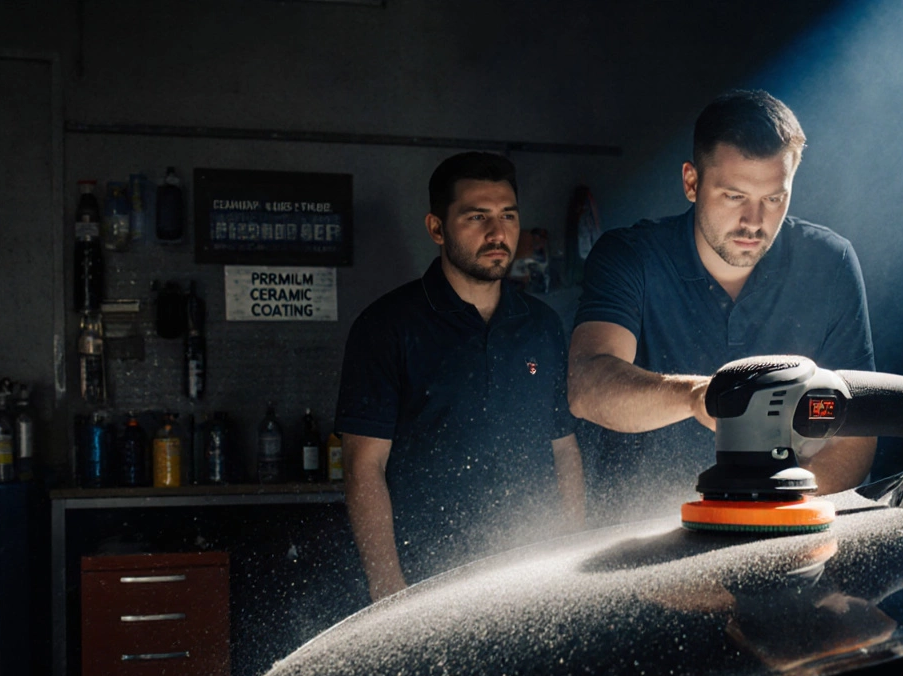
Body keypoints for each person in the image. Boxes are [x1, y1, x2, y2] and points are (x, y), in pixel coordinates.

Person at [568, 89, 875, 521]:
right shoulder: (630, 256)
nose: (754, 221)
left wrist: (774, 516)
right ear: (692, 182)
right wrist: (699, 396)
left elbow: (857, 427)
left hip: (780, 534)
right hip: (636, 547)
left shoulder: (831, 263)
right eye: (734, 196)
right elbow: (588, 383)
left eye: (773, 199)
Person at [336, 152, 585, 601]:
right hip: (426, 581)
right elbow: (362, 467)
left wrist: (572, 559)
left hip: (532, 579)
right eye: (477, 217)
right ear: (436, 228)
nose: (498, 233)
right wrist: (387, 584)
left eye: (508, 215)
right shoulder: (387, 326)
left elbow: (563, 450)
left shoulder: (542, 326)